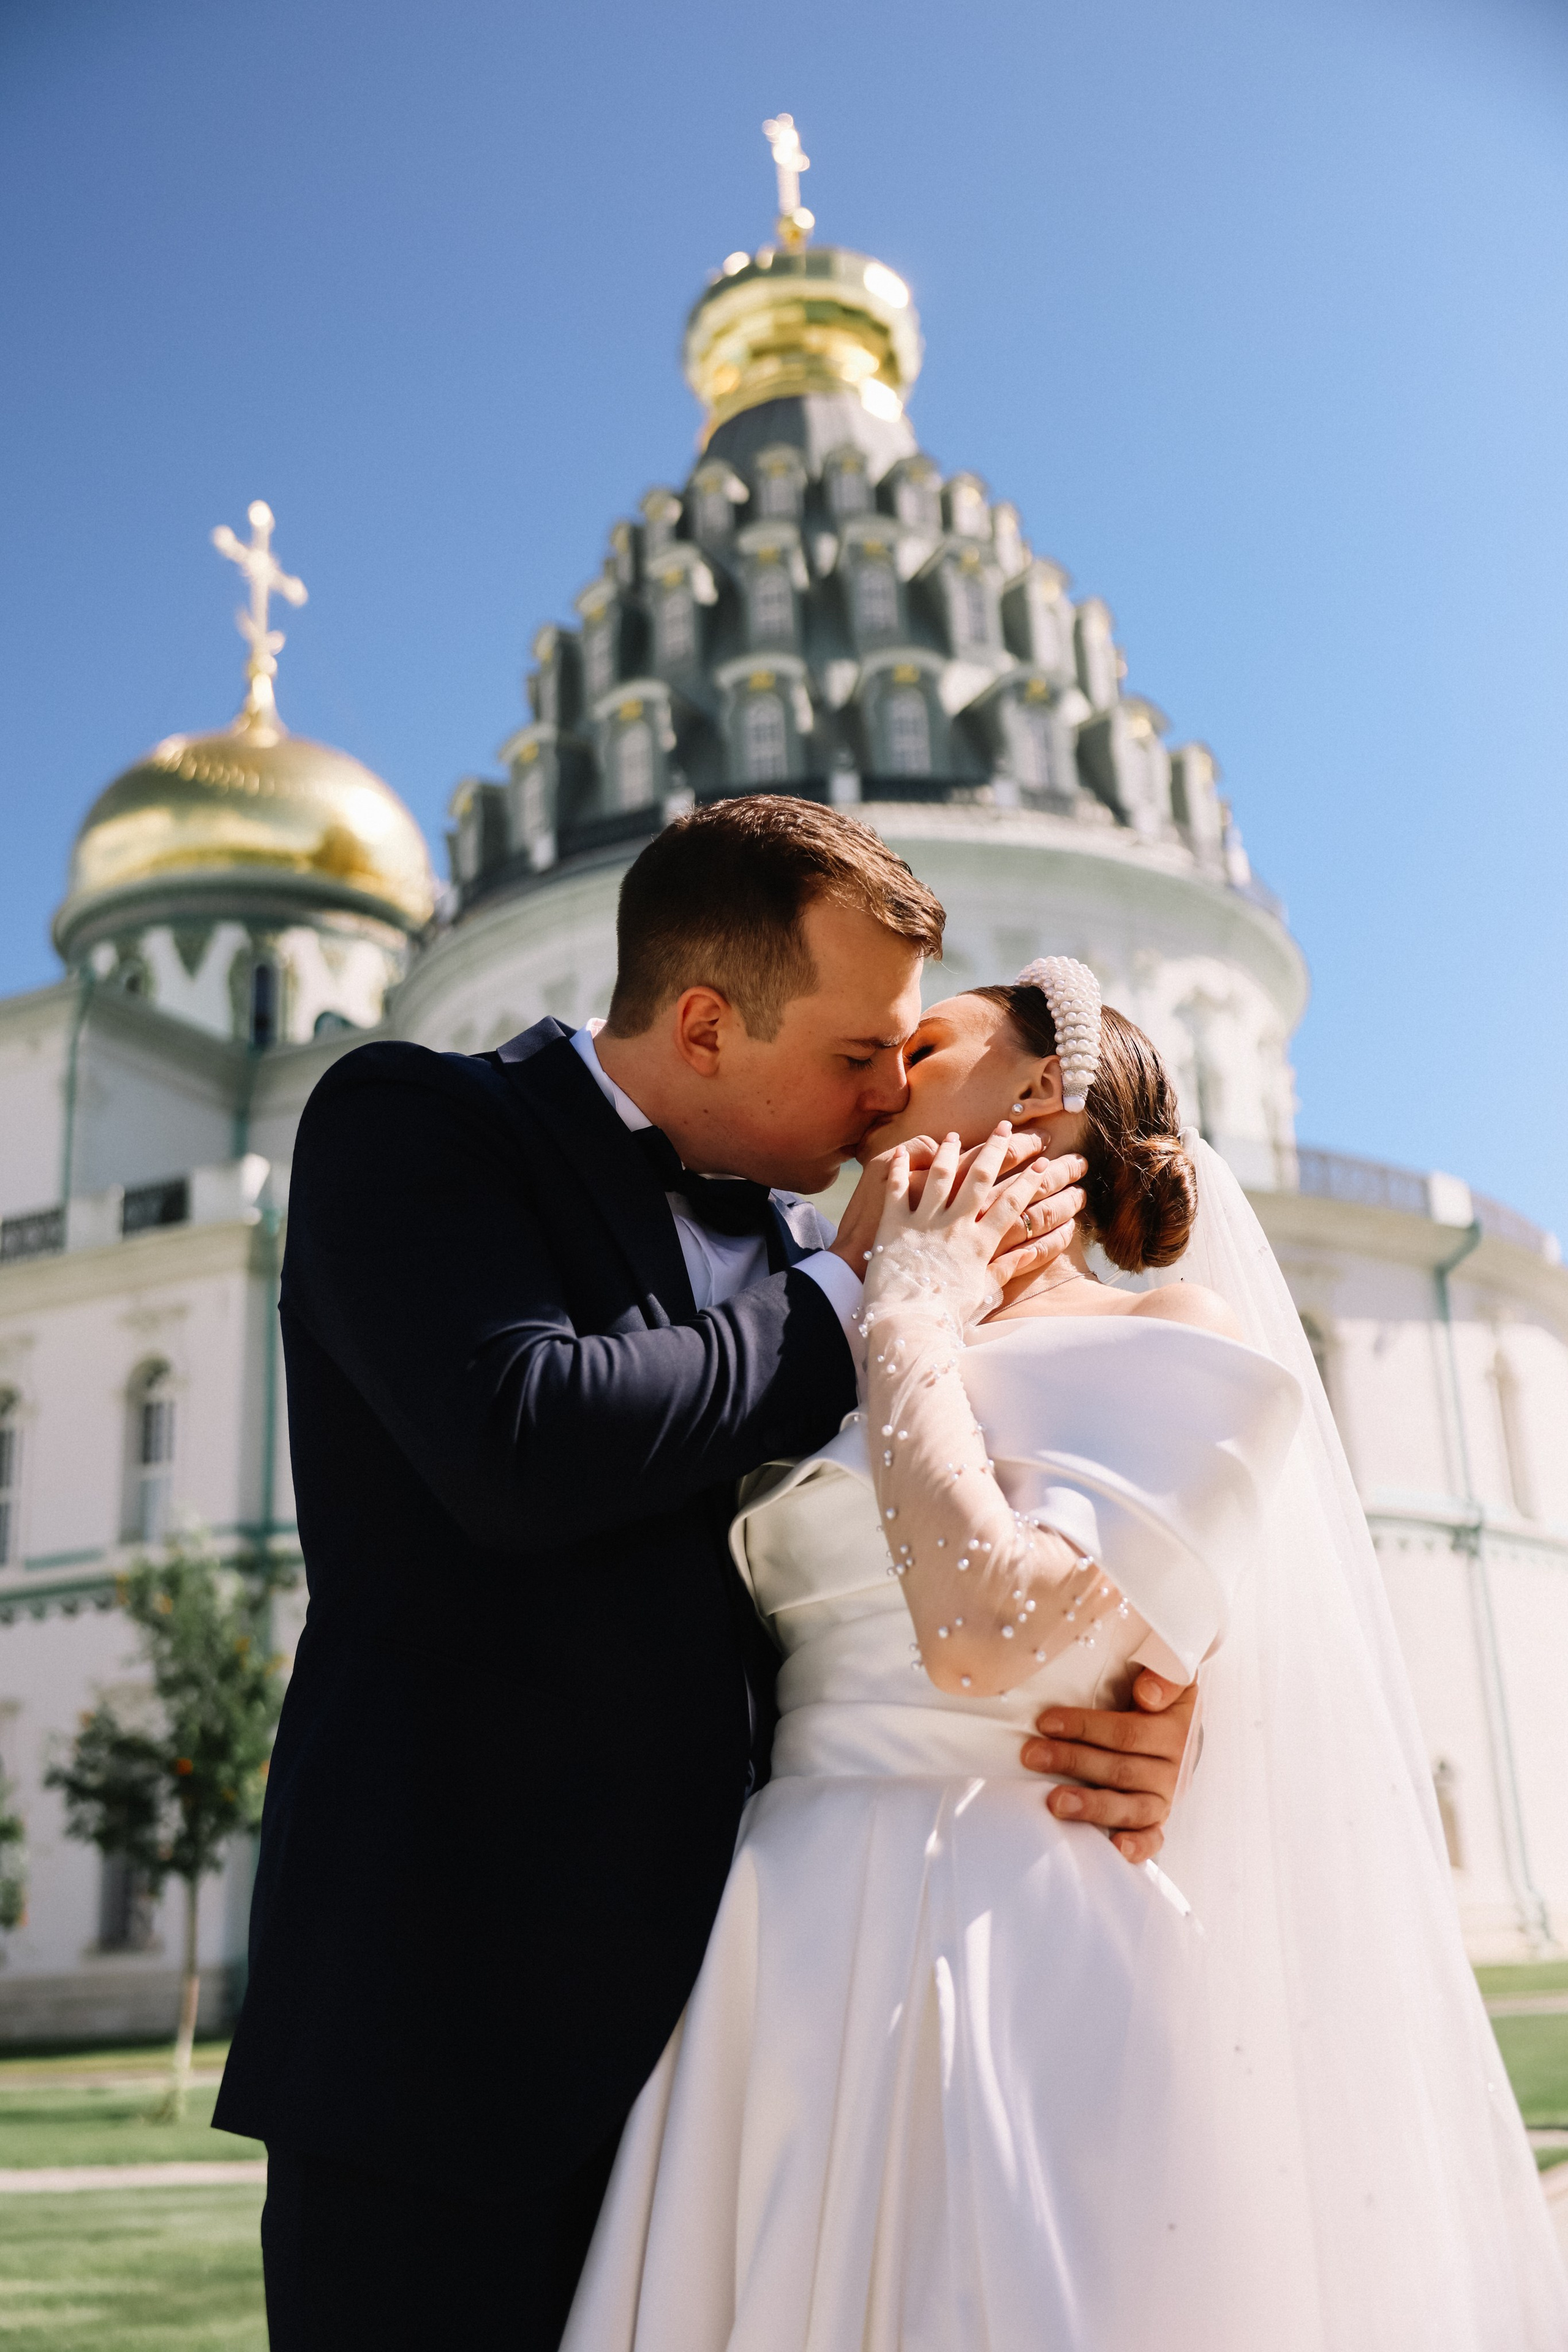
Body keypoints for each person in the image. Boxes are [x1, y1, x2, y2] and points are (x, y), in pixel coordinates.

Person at [213, 801, 1188, 2351]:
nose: (886, 1105)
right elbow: (518, 1435)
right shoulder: (415, 1123)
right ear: (703, 1023)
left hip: (743, 2048)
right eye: (860, 1055)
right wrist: (861, 1293)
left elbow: (913, 1565)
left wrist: (1131, 1707)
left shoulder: (795, 1237)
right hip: (443, 2021)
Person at [562, 963, 1568, 2352]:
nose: (869, 1083)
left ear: (1038, 1091)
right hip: (772, 1949)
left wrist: (913, 1322)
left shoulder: (1164, 1340)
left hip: (1017, 1933)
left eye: (916, 1047)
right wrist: (890, 1305)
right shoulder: (810, 1334)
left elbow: (988, 1639)